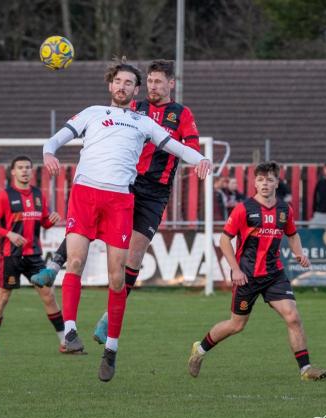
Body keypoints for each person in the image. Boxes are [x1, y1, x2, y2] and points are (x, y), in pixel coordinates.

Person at [42, 58, 210, 382]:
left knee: (116, 277)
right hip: (85, 194)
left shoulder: (142, 121)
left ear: (134, 91)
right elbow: (54, 139)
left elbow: (177, 146)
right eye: (118, 82)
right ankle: (70, 331)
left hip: (121, 199)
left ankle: (112, 348)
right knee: (75, 260)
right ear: (111, 85)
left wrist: (201, 159)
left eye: (128, 83)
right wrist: (49, 152)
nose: (122, 87)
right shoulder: (92, 113)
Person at [187, 161, 326, 381]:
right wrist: (235, 270)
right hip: (247, 276)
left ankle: (305, 369)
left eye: (269, 180)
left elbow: (292, 234)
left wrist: (299, 253)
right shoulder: (244, 208)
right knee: (236, 325)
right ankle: (200, 349)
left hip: (274, 275)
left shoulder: (284, 210)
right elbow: (225, 240)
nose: (265, 184)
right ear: (255, 182)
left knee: (293, 317)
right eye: (261, 180)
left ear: (276, 182)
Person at [0, 155, 62, 356]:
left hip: (34, 255)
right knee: (3, 296)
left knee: (49, 295)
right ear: (13, 172)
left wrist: (51, 220)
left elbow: (44, 222)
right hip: (11, 256)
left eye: (28, 167)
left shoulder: (38, 194)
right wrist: (9, 234)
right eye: (20, 167)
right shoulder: (4, 196)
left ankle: (65, 342)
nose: (25, 171)